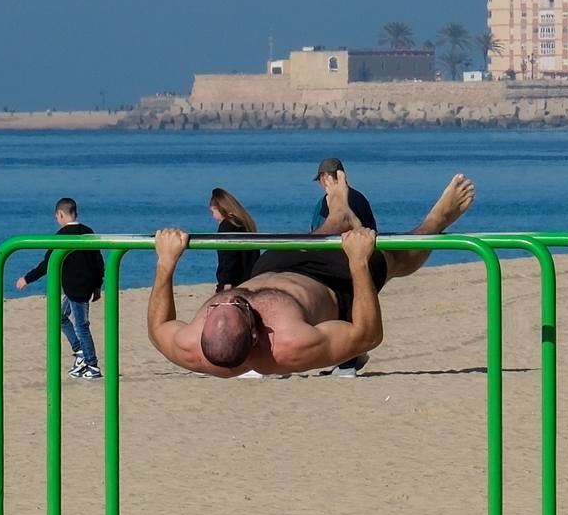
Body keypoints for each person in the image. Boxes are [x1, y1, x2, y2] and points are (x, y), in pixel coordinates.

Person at [147, 173, 476, 378]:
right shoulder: (289, 345)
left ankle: (337, 216)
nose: (232, 299)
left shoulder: (192, 341)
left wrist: (166, 263)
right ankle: (436, 222)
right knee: (392, 259)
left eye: (222, 304)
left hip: (272, 268)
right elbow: (367, 335)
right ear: (255, 337)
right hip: (333, 283)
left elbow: (158, 328)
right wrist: (359, 263)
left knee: (320, 234)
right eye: (242, 307)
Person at [15, 197, 106, 379]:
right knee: (59, 317)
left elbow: (47, 264)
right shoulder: (88, 232)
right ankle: (80, 352)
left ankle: (92, 364)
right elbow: (99, 262)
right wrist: (97, 286)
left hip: (77, 290)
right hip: (83, 287)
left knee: (81, 326)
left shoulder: (61, 236)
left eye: (57, 217)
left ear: (61, 214)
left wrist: (27, 278)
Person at [309, 157, 377, 376]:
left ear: (328, 177)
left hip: (339, 263)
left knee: (342, 313)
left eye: (321, 178)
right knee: (352, 312)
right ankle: (350, 359)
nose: (320, 183)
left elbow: (320, 233)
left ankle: (348, 363)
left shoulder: (328, 202)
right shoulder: (360, 198)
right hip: (361, 260)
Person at [310, 157, 377, 234]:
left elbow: (315, 229)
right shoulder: (360, 199)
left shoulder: (322, 203)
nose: (319, 183)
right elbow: (372, 227)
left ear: (325, 177)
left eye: (319, 179)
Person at [209, 188, 259, 291]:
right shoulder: (245, 223)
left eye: (212, 211)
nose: (212, 216)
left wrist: (227, 283)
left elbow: (228, 257)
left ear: (219, 208)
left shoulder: (227, 226)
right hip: (250, 279)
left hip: (235, 282)